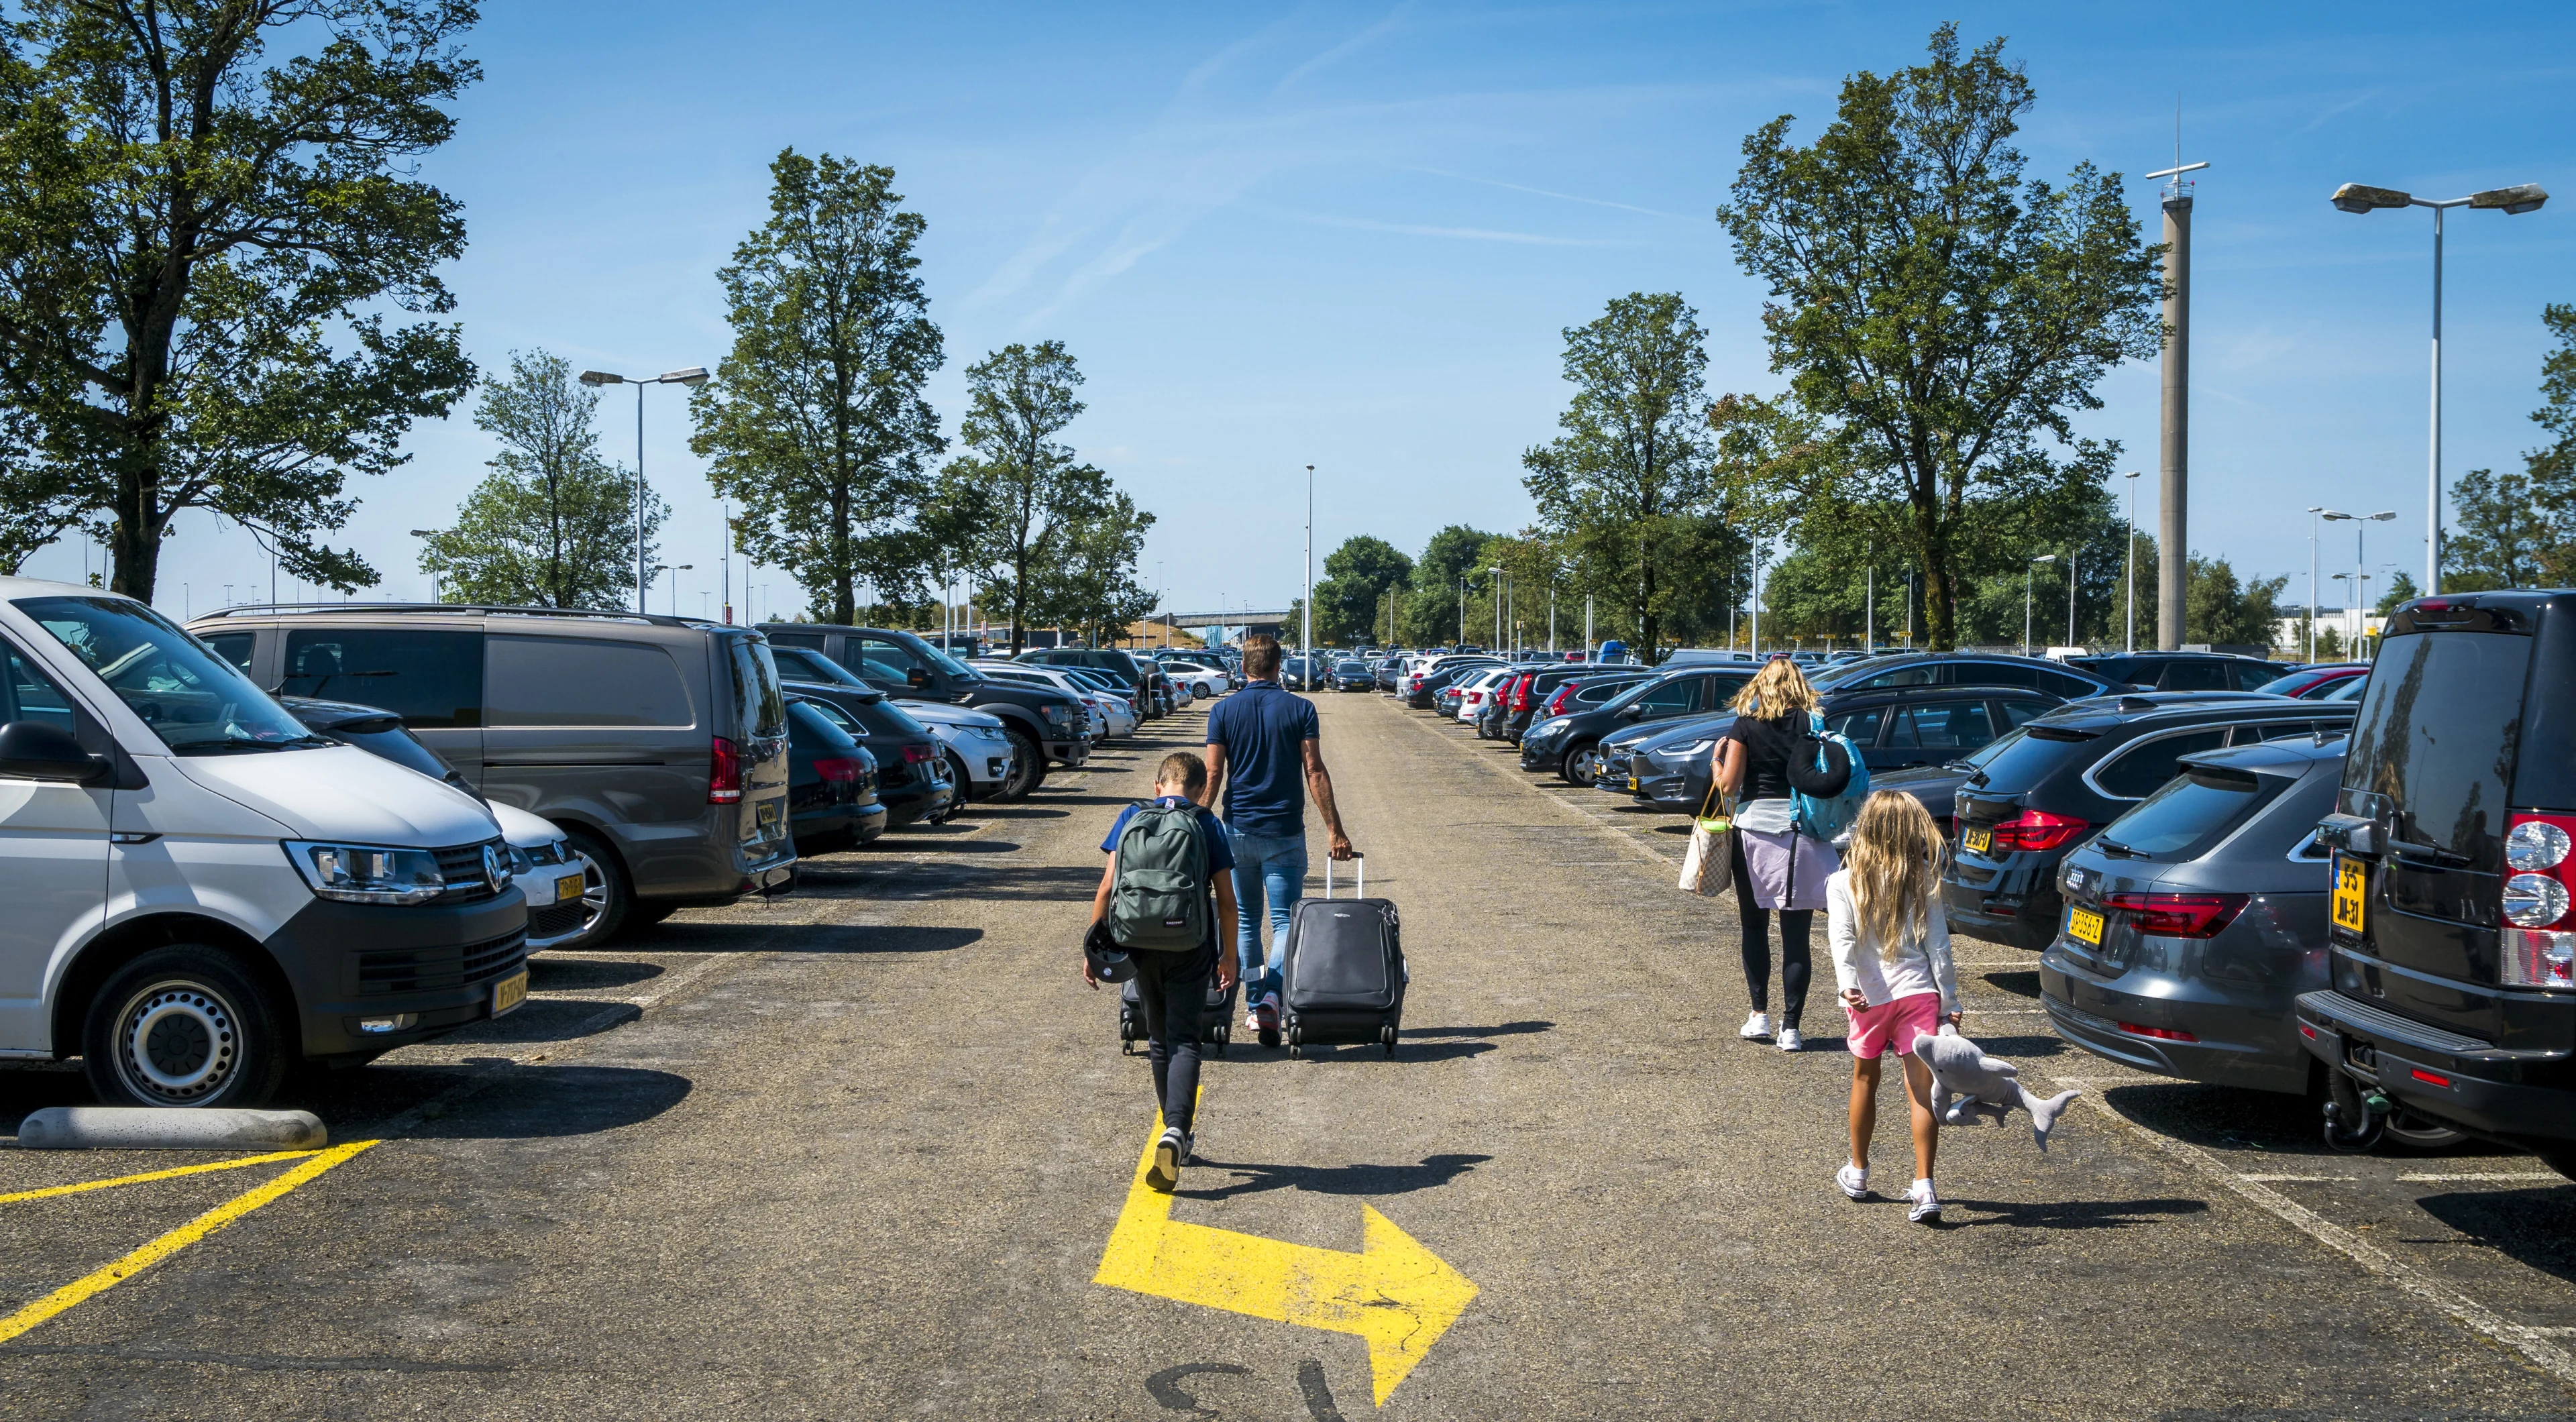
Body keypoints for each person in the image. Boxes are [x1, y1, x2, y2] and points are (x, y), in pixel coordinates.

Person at [1087, 751, 1240, 1191]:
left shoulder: (1132, 815)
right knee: (1186, 1038)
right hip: (1189, 942)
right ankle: (1177, 1130)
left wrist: (1094, 948)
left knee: (1158, 1038)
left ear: (1158, 785)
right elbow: (1227, 901)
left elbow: (1108, 887)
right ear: (1197, 789)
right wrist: (1228, 955)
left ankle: (1176, 1132)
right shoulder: (1206, 822)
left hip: (1138, 944)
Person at [1199, 633, 1358, 1044]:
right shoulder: (1301, 708)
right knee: (1288, 920)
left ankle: (1254, 1005)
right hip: (1285, 831)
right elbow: (1315, 770)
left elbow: (1213, 774)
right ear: (1278, 665)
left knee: (1247, 919)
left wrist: (1197, 821)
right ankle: (1273, 995)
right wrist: (1334, 829)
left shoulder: (1222, 711)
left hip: (1237, 830)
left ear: (1244, 667)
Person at [1827, 790, 1961, 1224]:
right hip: (1919, 992)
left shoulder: (1843, 881)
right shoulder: (1922, 877)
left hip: (1869, 997)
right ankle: (1925, 1186)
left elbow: (1842, 941)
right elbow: (1939, 947)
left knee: (1865, 1078)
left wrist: (1848, 986)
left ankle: (1859, 1171)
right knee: (1921, 1091)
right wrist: (1950, 1004)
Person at [1712, 656, 1840, 1052]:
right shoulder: (1813, 723)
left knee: (1754, 927)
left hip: (1753, 833)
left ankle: (1759, 1016)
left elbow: (1728, 787)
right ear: (1800, 683)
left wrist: (1717, 760)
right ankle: (1792, 1028)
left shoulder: (1745, 724)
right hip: (1803, 831)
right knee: (1796, 935)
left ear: (1760, 683)